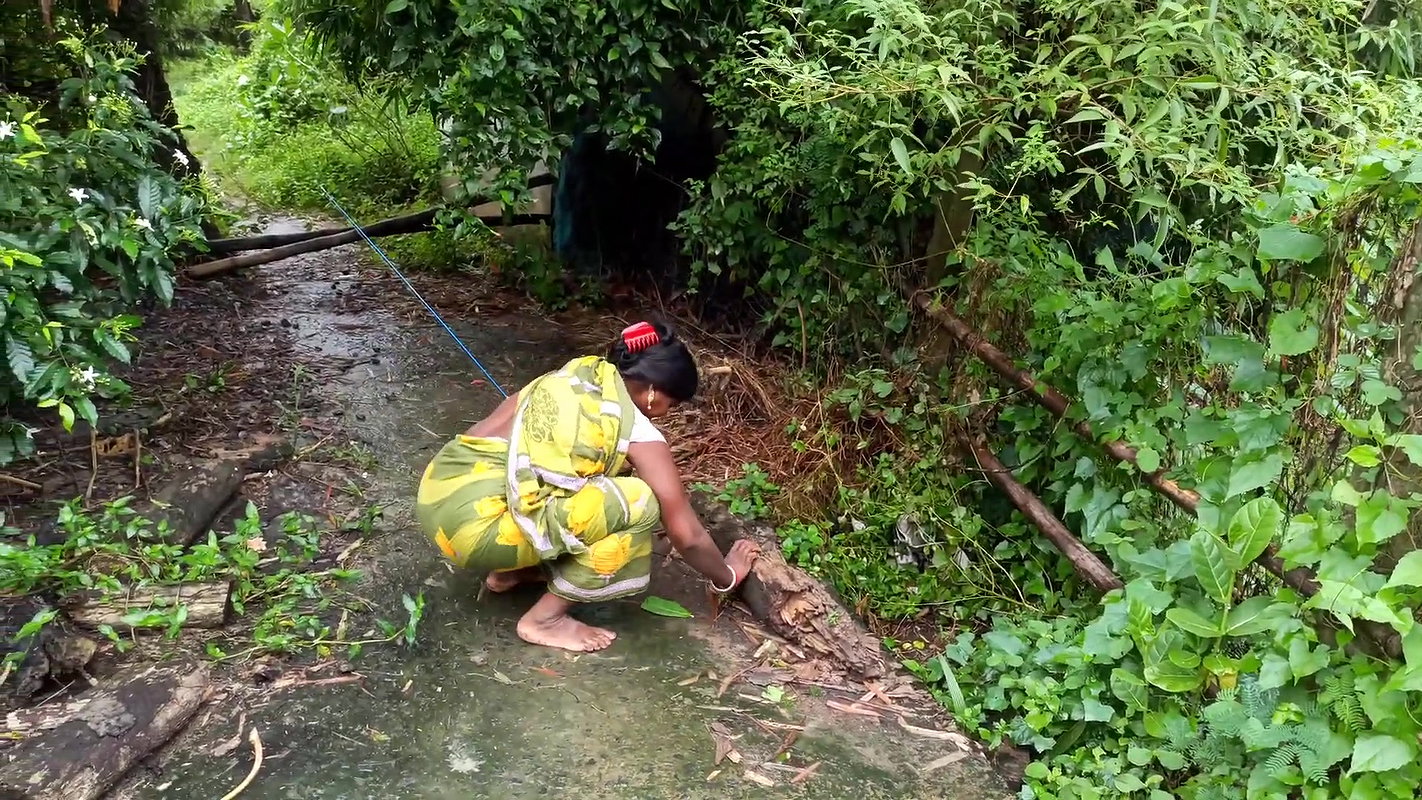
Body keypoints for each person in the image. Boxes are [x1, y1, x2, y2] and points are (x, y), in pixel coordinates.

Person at [416, 320, 762, 652]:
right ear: (654, 393)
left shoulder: (569, 378)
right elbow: (685, 533)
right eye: (672, 405)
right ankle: (544, 621)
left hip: (439, 497)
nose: (668, 414)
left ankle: (511, 574)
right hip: (476, 533)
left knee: (574, 483)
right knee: (640, 501)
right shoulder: (637, 429)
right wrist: (727, 576)